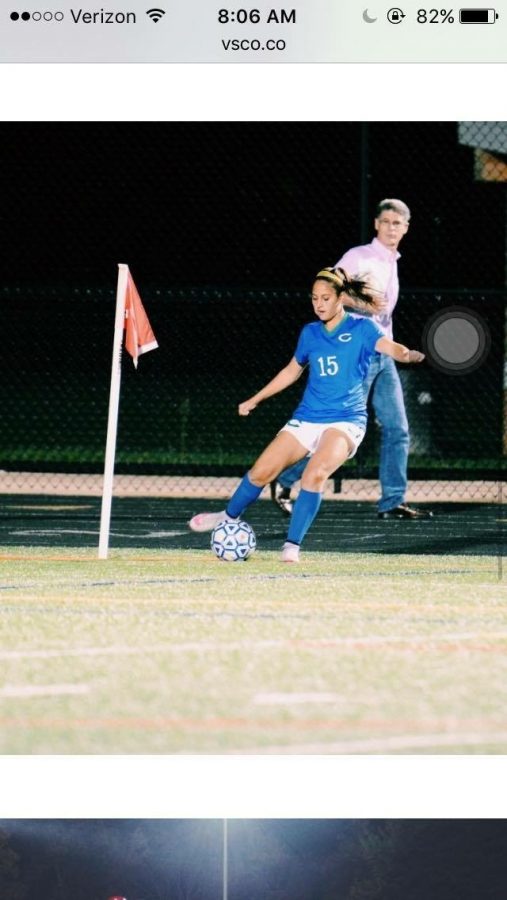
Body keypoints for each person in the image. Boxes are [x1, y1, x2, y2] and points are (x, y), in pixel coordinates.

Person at [189, 267, 426, 563]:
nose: (319, 304)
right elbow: (291, 371)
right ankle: (226, 516)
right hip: (307, 417)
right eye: (314, 298)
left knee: (314, 475)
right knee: (262, 471)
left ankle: (291, 546)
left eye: (326, 297)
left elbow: (390, 347)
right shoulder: (310, 333)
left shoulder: (362, 329)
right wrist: (256, 398)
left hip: (345, 421)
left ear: (341, 298)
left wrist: (406, 354)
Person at [271, 198, 434, 520]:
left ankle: (392, 502)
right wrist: (365, 303)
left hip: (381, 356)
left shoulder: (391, 261)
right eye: (386, 222)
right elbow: (332, 290)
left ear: (406, 228)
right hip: (357, 356)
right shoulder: (359, 256)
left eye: (397, 223)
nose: (391, 228)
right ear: (376, 224)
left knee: (398, 429)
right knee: (340, 430)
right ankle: (287, 478)